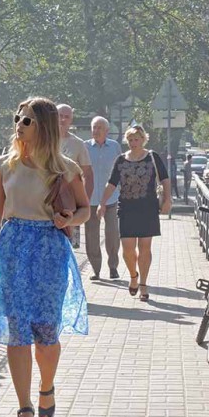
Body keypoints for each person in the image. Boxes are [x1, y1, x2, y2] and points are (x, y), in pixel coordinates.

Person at [0, 97, 90, 417]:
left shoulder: (65, 167)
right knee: (17, 331)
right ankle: (24, 408)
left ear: (42, 125)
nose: (19, 125)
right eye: (17, 119)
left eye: (26, 120)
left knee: (46, 332)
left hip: (49, 251)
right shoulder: (3, 166)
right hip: (11, 249)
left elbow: (86, 209)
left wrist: (70, 218)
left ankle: (47, 386)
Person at [97, 125, 172, 301]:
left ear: (143, 139)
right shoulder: (121, 160)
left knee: (145, 248)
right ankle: (133, 276)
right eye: (130, 140)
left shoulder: (152, 157)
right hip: (127, 209)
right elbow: (111, 183)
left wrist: (168, 199)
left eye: (136, 139)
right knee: (128, 249)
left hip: (148, 208)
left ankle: (144, 284)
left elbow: (165, 179)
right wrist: (102, 203)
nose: (133, 143)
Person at [85, 116, 122, 280]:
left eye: (100, 127)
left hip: (111, 197)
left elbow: (121, 170)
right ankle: (96, 269)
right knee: (92, 235)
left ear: (107, 131)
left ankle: (113, 267)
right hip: (90, 198)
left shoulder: (114, 147)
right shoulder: (84, 147)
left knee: (112, 233)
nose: (96, 130)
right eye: (94, 127)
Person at [57, 104, 94, 248]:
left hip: (69, 204)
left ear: (71, 120)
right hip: (45, 202)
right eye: (60, 115)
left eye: (67, 117)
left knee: (69, 246)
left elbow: (88, 174)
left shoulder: (78, 144)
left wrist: (84, 204)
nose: (63, 119)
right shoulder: (43, 141)